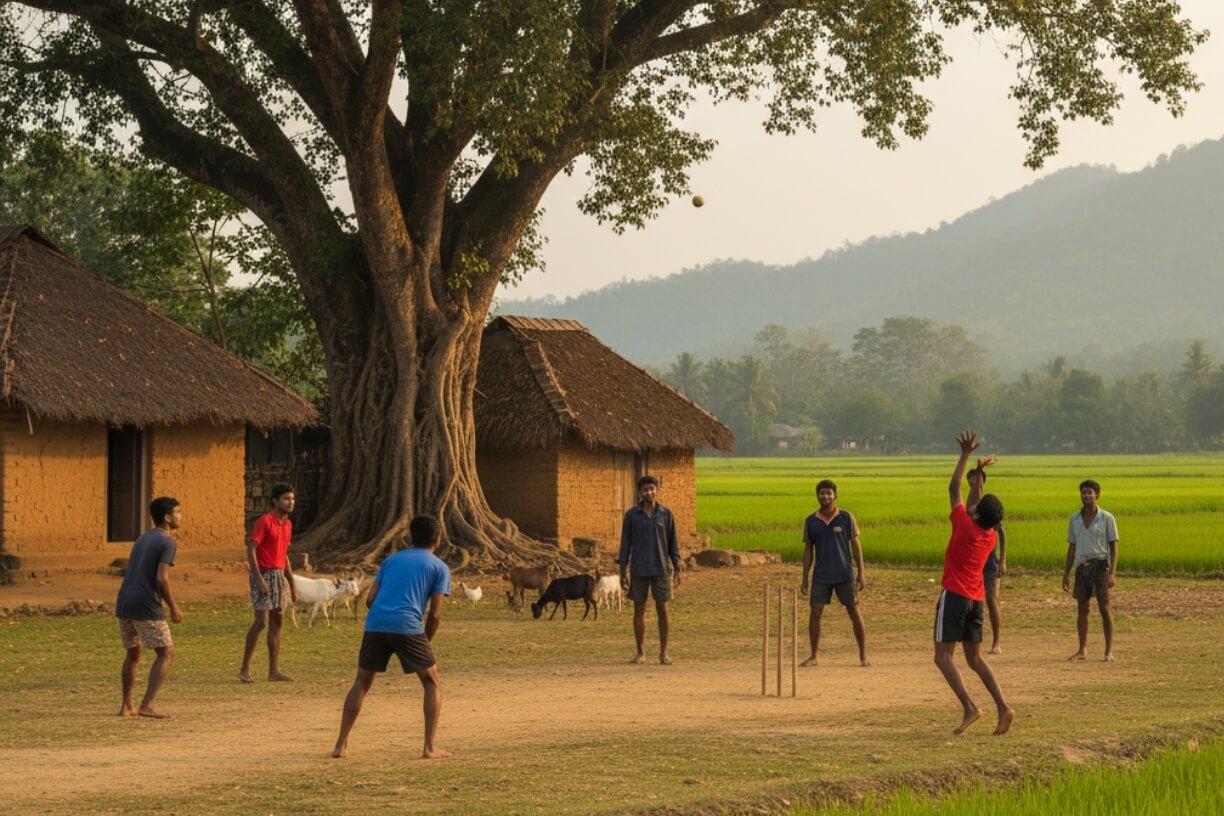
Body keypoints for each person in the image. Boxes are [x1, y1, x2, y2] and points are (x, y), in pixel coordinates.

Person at [332, 514, 451, 760]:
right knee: (432, 682)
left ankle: (340, 745)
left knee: (362, 683)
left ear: (410, 537)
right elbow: (436, 614)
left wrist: (383, 616)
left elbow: (370, 599)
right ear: (437, 540)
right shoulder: (439, 567)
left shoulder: (391, 560)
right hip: (408, 625)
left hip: (375, 623)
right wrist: (425, 640)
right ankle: (429, 747)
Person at [933, 430, 1015, 736]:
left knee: (942, 657)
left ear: (976, 514)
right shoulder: (989, 534)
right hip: (976, 599)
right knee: (975, 658)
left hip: (954, 596)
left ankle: (970, 706)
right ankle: (1004, 708)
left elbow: (955, 488)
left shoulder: (964, 525)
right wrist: (979, 473)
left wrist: (966, 456)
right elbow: (972, 503)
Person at [115, 496, 184, 719]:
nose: (180, 516)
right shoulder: (168, 541)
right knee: (166, 652)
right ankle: (147, 704)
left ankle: (126, 706)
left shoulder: (143, 538)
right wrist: (173, 606)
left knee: (133, 652)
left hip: (125, 600)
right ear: (167, 517)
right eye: (178, 512)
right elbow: (161, 579)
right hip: (146, 603)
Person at [799, 479, 868, 667]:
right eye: (822, 493)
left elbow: (856, 545)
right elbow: (808, 551)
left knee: (854, 611)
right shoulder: (811, 521)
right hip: (821, 575)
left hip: (844, 573)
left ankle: (863, 656)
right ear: (817, 496)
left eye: (829, 493)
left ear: (835, 496)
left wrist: (861, 573)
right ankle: (814, 656)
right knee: (815, 612)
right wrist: (805, 577)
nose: (825, 496)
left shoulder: (846, 517)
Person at [618, 475, 681, 665]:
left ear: (657, 490)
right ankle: (640, 652)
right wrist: (623, 570)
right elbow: (625, 544)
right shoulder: (631, 515)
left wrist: (678, 567)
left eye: (652, 489)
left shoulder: (666, 514)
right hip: (639, 569)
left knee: (663, 609)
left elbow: (673, 544)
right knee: (639, 609)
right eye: (645, 489)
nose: (649, 492)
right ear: (640, 492)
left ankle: (663, 653)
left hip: (661, 568)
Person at [239, 483, 298, 683]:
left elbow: (285, 554)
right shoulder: (264, 522)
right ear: (275, 501)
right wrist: (259, 578)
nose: (290, 503)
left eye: (292, 499)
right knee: (261, 621)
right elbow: (251, 549)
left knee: (278, 620)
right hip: (264, 573)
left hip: (279, 575)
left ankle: (274, 671)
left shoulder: (287, 524)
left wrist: (292, 582)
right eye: (286, 499)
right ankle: (245, 669)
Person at [1062, 479, 1120, 662]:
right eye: (1083, 492)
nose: (1086, 496)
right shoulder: (1075, 519)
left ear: (1097, 495)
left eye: (1089, 492)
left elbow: (1114, 547)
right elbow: (1072, 547)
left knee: (1104, 608)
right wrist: (1066, 572)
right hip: (1082, 567)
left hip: (1101, 565)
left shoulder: (1107, 518)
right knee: (1082, 608)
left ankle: (1108, 651)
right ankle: (1082, 650)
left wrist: (1112, 573)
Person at [968, 468, 1007, 655]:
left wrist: (1003, 561)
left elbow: (1002, 533)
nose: (976, 482)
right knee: (971, 601)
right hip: (973, 561)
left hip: (990, 561)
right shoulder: (972, 510)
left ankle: (996, 641)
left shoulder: (989, 508)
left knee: (991, 600)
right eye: (973, 479)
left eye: (979, 479)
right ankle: (971, 640)